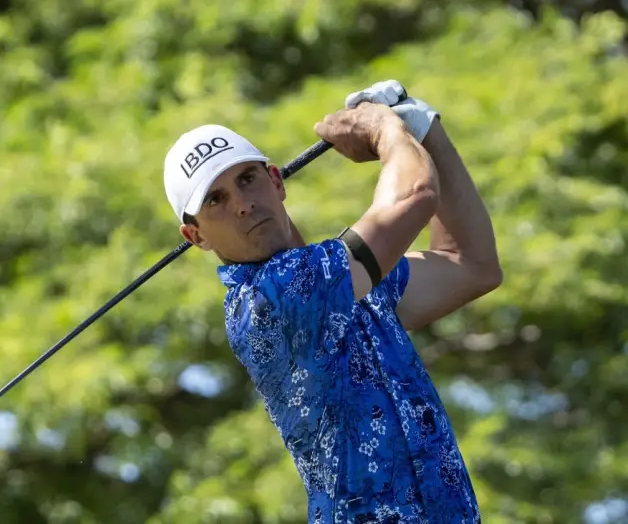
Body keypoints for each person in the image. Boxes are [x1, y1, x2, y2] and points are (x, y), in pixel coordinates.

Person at [162, 80, 501, 524]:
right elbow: (415, 195)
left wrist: (424, 128)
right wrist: (387, 131)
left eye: (247, 179)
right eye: (216, 200)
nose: (242, 204)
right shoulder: (269, 299)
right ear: (196, 236)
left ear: (276, 180)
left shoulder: (343, 277)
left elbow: (471, 263)